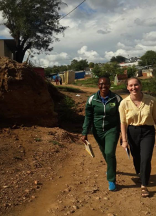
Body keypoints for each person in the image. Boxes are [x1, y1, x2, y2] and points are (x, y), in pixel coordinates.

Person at [81, 76, 122, 191]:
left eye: (106, 84)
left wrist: (123, 132)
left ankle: (111, 179)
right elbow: (88, 117)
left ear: (110, 84)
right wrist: (84, 132)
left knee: (109, 152)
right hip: (97, 131)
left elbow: (122, 116)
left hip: (112, 130)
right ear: (98, 85)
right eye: (101, 84)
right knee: (104, 152)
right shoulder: (92, 99)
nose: (103, 86)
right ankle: (110, 167)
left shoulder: (117, 99)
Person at [119, 77, 156, 197]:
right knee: (136, 158)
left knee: (146, 158)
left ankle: (144, 185)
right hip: (132, 132)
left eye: (136, 85)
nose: (133, 87)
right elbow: (123, 122)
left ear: (140, 85)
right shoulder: (124, 103)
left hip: (148, 132)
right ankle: (141, 174)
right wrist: (124, 140)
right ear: (127, 88)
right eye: (131, 85)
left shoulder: (151, 100)